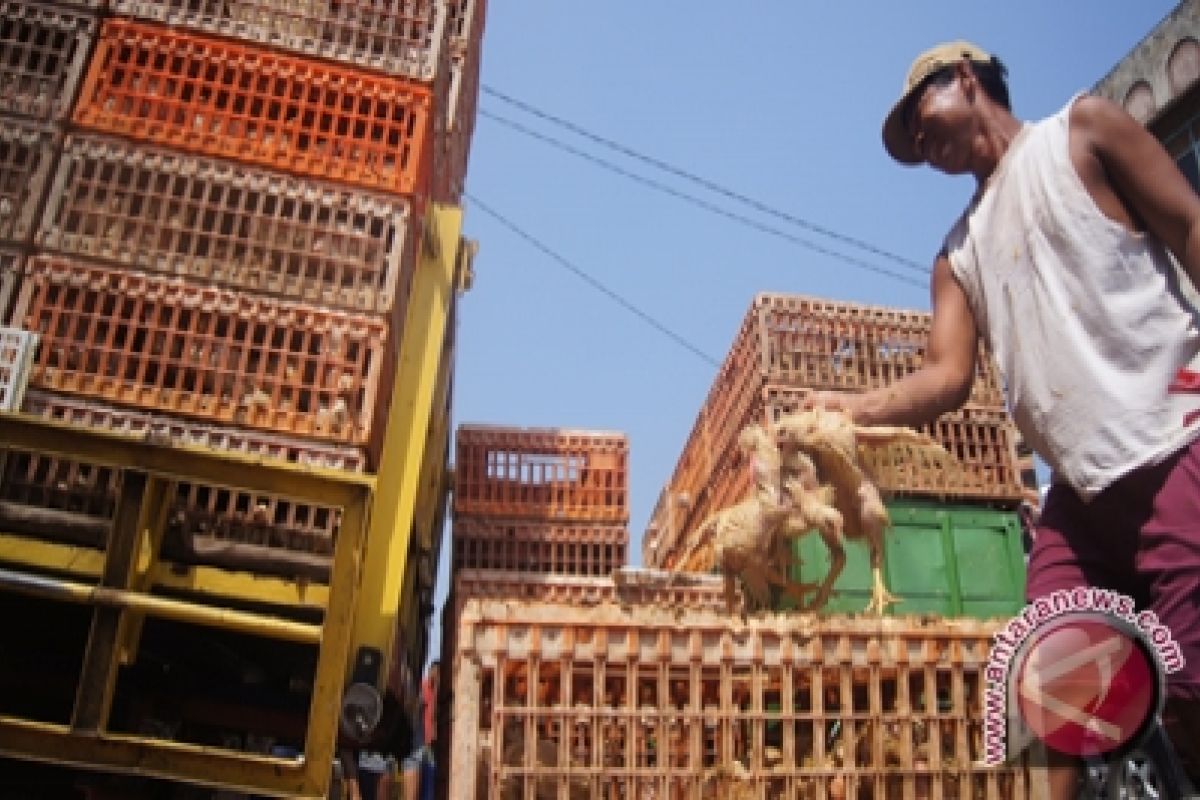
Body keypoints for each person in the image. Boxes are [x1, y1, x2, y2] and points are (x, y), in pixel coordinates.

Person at [811, 40, 1200, 797]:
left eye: (919, 117)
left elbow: (1188, 221)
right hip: (1082, 497)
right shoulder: (957, 255)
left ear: (966, 79)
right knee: (1039, 685)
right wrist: (848, 410)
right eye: (909, 142)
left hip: (1173, 442)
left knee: (1190, 685)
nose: (919, 143)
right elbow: (946, 377)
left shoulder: (1082, 132)